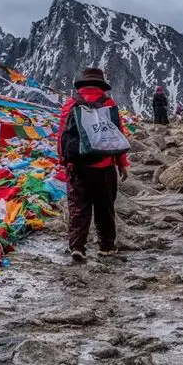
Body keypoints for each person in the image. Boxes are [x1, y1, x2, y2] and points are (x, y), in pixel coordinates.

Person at [57, 67, 129, 262]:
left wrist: (64, 161)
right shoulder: (108, 104)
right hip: (104, 165)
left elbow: (61, 135)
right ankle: (106, 246)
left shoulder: (70, 103)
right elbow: (117, 135)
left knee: (78, 207)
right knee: (105, 207)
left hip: (77, 165)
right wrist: (121, 163)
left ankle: (77, 247)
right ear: (100, 85)